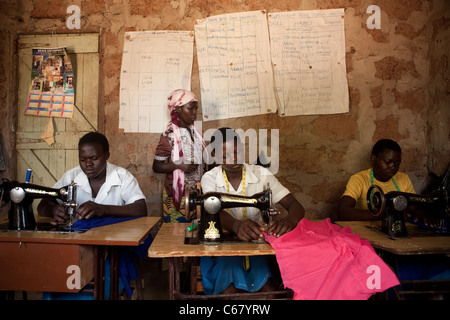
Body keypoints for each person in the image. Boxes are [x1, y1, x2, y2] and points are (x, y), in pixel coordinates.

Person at [199, 127, 305, 295]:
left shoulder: (261, 174)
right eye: (225, 155)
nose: (233, 158)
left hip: (257, 243)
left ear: (243, 149)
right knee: (228, 289)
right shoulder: (210, 178)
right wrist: (236, 226)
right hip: (222, 247)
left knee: (268, 288)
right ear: (215, 156)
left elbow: (295, 205)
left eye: (237, 151)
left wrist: (290, 220)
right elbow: (214, 211)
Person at [38, 131, 147, 224]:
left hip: (114, 238)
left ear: (106, 156)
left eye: (94, 158)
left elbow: (141, 209)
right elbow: (43, 205)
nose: (88, 164)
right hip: (80, 238)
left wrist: (103, 209)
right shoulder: (71, 176)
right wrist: (54, 210)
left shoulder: (122, 176)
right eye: (82, 159)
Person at [152, 89, 206, 223]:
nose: (194, 112)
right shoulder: (169, 136)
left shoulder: (196, 132)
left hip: (197, 193)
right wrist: (179, 165)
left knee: (195, 234)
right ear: (178, 110)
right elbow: (156, 167)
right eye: (190, 108)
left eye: (196, 108)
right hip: (178, 194)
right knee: (176, 237)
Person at [338, 138, 415, 221]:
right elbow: (344, 211)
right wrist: (385, 214)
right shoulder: (359, 179)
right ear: (373, 158)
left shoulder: (403, 178)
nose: (393, 167)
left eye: (397, 163)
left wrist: (421, 213)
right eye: (388, 162)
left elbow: (414, 207)